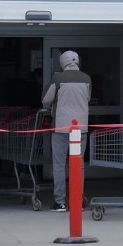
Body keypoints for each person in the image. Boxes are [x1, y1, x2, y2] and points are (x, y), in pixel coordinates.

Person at [41, 51, 92, 212]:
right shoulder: (86, 78)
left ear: (63, 62)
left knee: (59, 165)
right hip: (81, 128)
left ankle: (60, 202)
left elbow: (45, 100)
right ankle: (77, 200)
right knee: (79, 165)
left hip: (61, 127)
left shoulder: (57, 79)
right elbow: (87, 99)